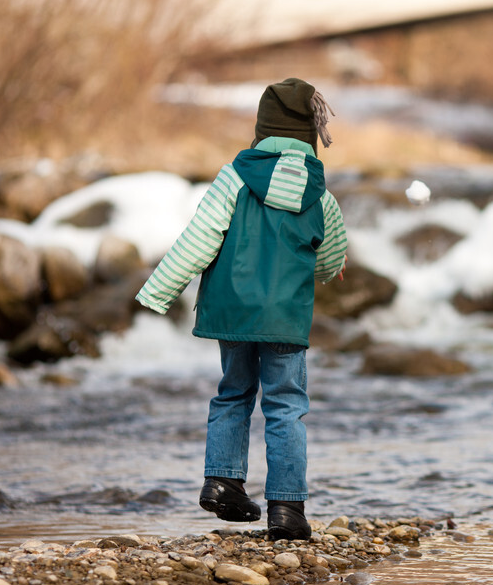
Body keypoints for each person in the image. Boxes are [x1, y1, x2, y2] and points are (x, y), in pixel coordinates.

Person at [135, 78, 347, 540]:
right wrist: (327, 272)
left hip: (232, 313)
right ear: (311, 134)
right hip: (286, 318)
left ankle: (223, 481)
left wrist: (158, 291)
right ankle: (287, 509)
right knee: (286, 406)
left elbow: (199, 238)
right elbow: (330, 255)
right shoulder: (321, 196)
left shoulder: (234, 177)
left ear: (262, 129)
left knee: (233, 393)